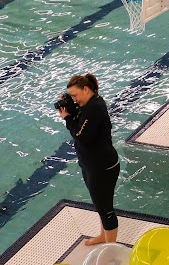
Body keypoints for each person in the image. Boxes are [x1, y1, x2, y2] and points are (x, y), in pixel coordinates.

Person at [59, 74, 120, 246]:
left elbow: (80, 135)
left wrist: (67, 118)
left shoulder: (95, 107)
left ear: (86, 90)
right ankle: (103, 236)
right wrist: (71, 107)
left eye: (75, 95)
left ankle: (110, 250)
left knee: (106, 210)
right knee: (100, 205)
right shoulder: (87, 105)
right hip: (91, 166)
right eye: (71, 96)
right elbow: (81, 123)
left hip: (103, 168)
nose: (74, 99)